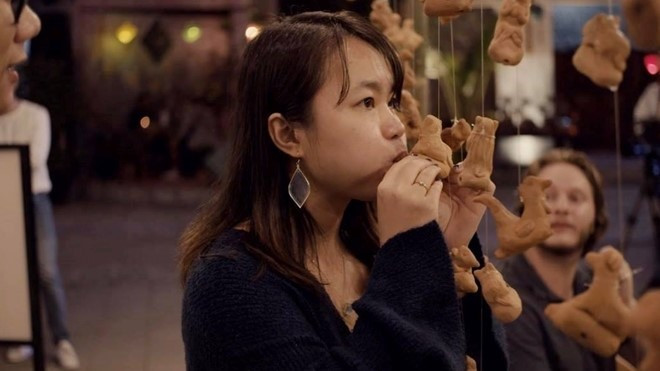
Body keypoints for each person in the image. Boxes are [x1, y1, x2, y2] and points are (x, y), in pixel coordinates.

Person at [179, 11, 508, 370]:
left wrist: (444, 251)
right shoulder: (231, 284)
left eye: (392, 101)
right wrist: (410, 256)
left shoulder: (371, 247)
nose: (397, 127)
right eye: (366, 102)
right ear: (288, 135)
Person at [500, 148, 635, 371]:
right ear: (525, 211)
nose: (561, 208)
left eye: (576, 198)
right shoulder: (507, 301)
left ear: (596, 214)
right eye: (547, 197)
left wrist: (627, 310)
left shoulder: (591, 283)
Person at [0, 1, 80, 368]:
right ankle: (16, 331)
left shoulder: (35, 116)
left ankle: (60, 338)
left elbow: (30, 161)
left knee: (45, 271)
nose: (29, 25)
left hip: (33, 200)